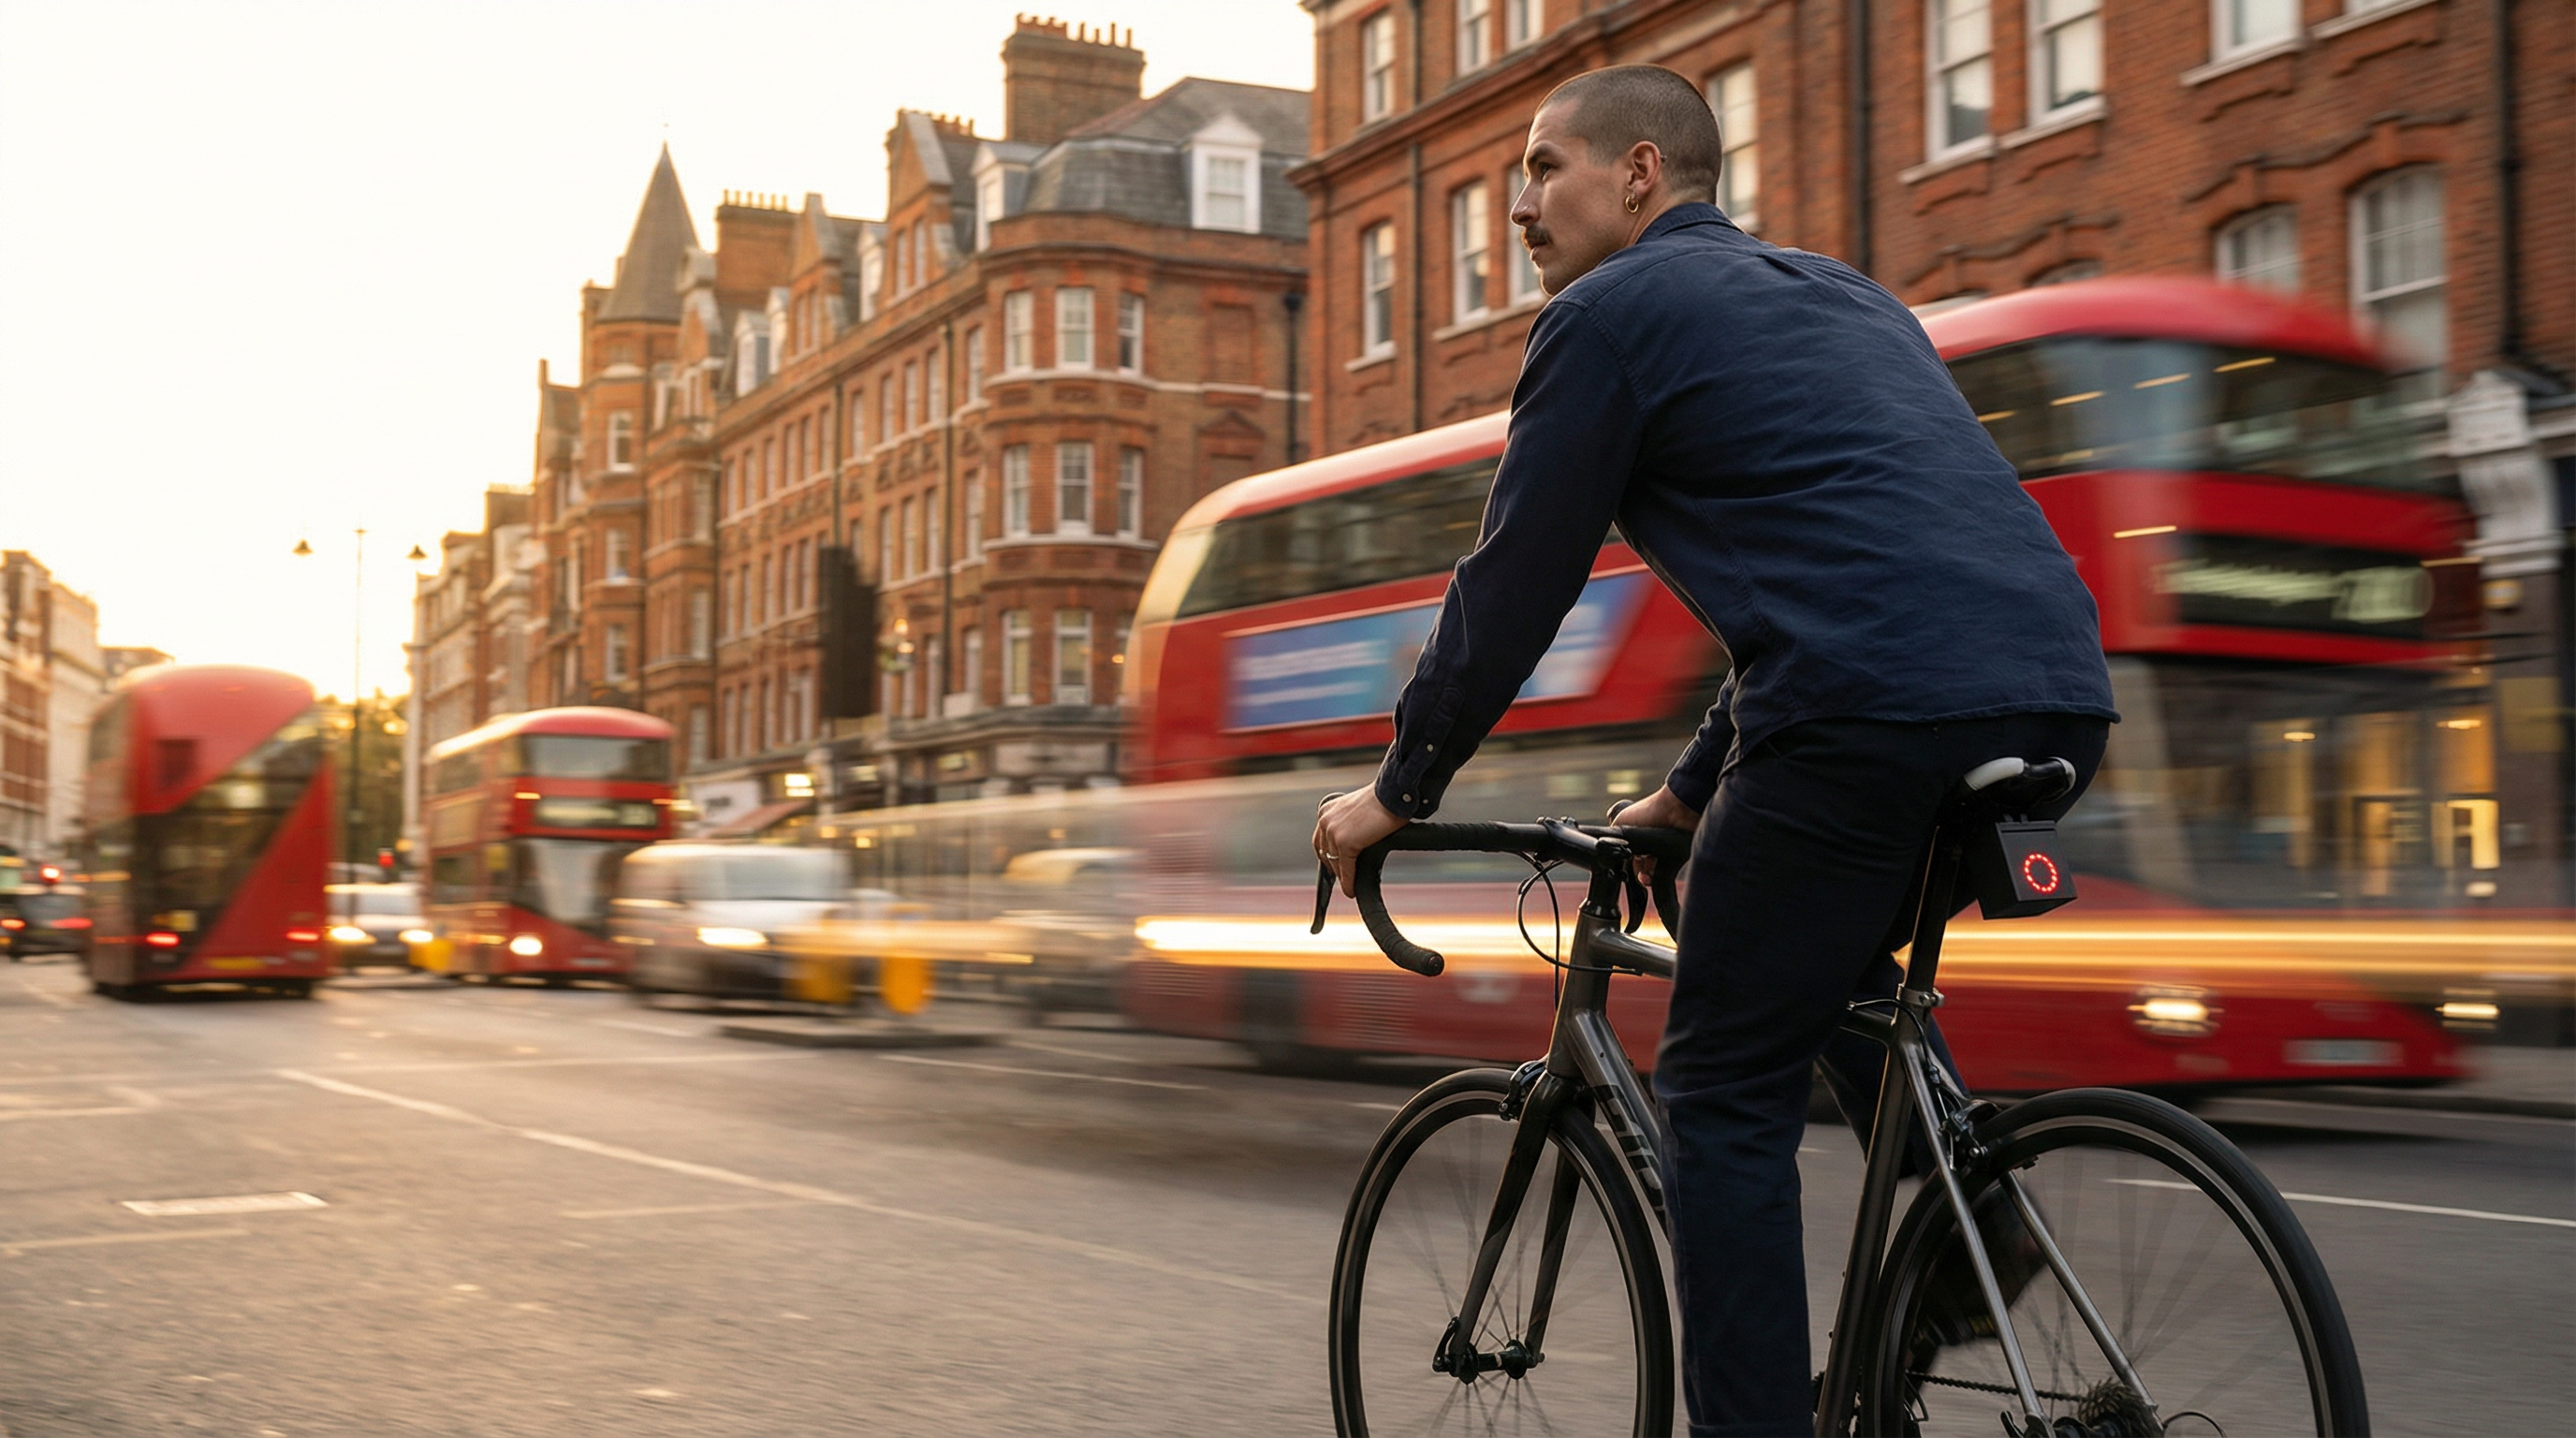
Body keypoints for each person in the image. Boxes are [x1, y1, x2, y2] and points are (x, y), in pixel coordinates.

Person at [1310, 64, 2117, 1436]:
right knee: (1816, 958)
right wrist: (1688, 795)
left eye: (1543, 167)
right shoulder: (1854, 296)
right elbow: (1848, 581)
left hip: (1865, 717)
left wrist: (1401, 788)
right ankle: (1976, 1222)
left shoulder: (1603, 317)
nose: (1518, 208)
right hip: (2054, 695)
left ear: (1640, 173)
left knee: (1721, 1090)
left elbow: (1513, 587)